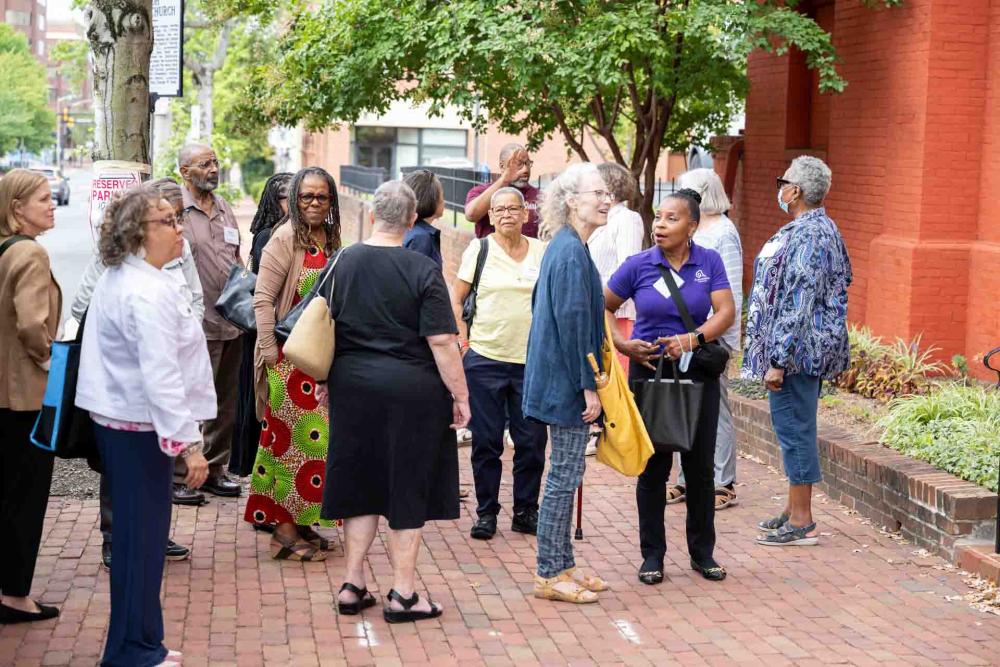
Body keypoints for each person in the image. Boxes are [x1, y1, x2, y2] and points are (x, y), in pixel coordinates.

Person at [75, 186, 212, 666]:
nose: (179, 229)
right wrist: (190, 445)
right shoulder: (142, 288)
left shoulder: (131, 277)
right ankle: (132, 651)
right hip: (136, 430)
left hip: (128, 425)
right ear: (138, 232)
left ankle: (142, 643)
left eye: (178, 219)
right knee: (141, 544)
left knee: (143, 543)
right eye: (169, 221)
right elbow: (161, 375)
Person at [321, 181, 469, 623]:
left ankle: (352, 584)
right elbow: (442, 341)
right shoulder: (423, 269)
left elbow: (319, 323)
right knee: (407, 485)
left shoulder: (342, 262)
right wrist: (460, 396)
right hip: (413, 392)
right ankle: (403, 595)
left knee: (360, 483)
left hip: (352, 387)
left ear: (371, 215)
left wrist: (327, 379)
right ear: (411, 220)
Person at [605, 188, 736, 585]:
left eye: (671, 219)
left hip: (696, 372)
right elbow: (604, 305)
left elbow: (726, 311)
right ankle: (652, 556)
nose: (660, 225)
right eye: (658, 218)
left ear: (692, 226)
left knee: (699, 469)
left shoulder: (708, 262)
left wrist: (693, 339)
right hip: (650, 371)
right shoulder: (638, 265)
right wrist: (622, 344)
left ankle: (703, 554)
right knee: (654, 467)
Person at [743, 156, 851, 547]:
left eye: (782, 180)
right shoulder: (816, 228)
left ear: (796, 191)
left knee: (794, 428)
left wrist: (778, 360)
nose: (780, 186)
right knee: (792, 425)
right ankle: (793, 508)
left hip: (796, 354)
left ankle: (803, 521)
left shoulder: (809, 234)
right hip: (803, 350)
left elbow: (798, 301)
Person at [522, 163, 610, 604]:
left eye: (607, 192)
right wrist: (588, 385)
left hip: (555, 378)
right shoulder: (570, 250)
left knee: (565, 473)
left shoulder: (567, 246)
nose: (606, 199)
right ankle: (549, 572)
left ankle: (563, 563)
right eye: (597, 192)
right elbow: (574, 323)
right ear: (571, 201)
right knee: (563, 477)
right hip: (565, 385)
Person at [245, 167, 340, 560]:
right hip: (285, 361)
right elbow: (263, 300)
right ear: (295, 201)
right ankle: (283, 531)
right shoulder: (283, 238)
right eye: (306, 197)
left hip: (315, 360)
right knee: (286, 448)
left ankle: (301, 522)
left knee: (314, 447)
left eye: (322, 197)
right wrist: (271, 358)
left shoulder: (330, 238)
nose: (314, 204)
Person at [450, 187, 547, 541]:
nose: (506, 214)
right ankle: (486, 512)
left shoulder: (542, 251)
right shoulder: (480, 248)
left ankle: (525, 511)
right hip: (485, 360)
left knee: (532, 441)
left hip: (531, 363)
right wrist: (463, 343)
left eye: (513, 208)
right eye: (499, 210)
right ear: (490, 217)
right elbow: (456, 297)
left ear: (525, 214)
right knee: (486, 442)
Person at [0, 169, 61, 624]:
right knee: (25, 497)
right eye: (43, 198)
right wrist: (47, 360)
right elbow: (31, 326)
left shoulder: (4, 250)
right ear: (17, 207)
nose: (52, 203)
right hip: (23, 399)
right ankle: (16, 595)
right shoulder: (31, 254)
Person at [667, 168, 744, 511]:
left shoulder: (724, 232)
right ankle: (687, 479)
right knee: (686, 404)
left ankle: (722, 481)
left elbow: (732, 294)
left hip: (712, 338)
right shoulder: (693, 230)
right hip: (685, 334)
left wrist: (723, 338)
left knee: (718, 408)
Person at [176, 143, 243, 501]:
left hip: (230, 321)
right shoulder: (177, 212)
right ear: (185, 172)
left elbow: (236, 259)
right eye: (205, 164)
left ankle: (216, 469)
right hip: (194, 324)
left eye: (216, 161)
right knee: (190, 400)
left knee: (223, 401)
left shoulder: (224, 208)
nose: (214, 168)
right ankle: (180, 475)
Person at [231, 173, 292, 485]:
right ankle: (262, 479)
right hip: (262, 331)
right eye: (288, 198)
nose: (294, 204)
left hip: (274, 330)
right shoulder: (270, 236)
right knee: (261, 404)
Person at [464, 143, 541, 238]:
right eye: (519, 164)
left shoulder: (539, 196)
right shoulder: (481, 191)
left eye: (528, 163)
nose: (525, 169)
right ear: (502, 166)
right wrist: (504, 180)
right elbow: (471, 215)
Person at [402, 169, 445, 266]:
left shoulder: (411, 231)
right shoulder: (420, 238)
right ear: (430, 199)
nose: (443, 201)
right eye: (442, 195)